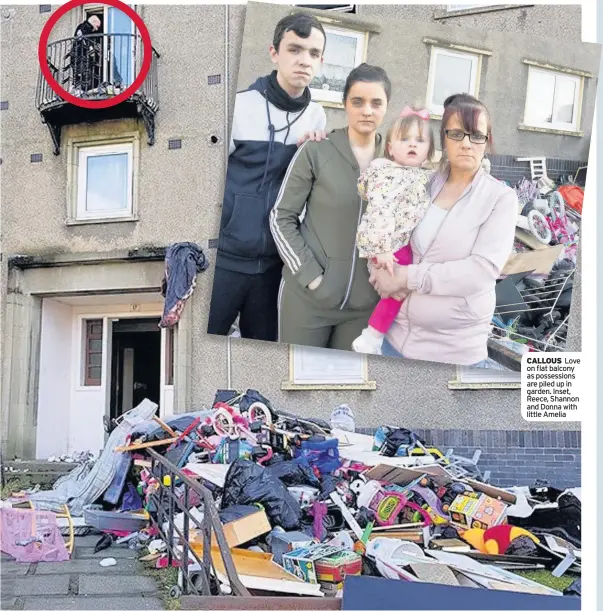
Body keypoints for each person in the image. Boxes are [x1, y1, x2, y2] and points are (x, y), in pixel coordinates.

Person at [369, 93, 518, 365]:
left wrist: (405, 277)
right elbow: (385, 226)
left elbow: (480, 273)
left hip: (453, 354)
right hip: (393, 340)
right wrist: (379, 272)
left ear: (487, 141)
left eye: (476, 136)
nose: (466, 144)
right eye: (457, 134)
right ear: (443, 138)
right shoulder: (422, 183)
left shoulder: (500, 199)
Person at [207, 13, 327, 341]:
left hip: (274, 268)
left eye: (313, 53)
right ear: (274, 53)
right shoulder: (239, 106)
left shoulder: (317, 116)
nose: (304, 61)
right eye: (295, 50)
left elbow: (310, 192)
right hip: (225, 262)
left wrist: (309, 158)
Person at [270, 64, 391, 350]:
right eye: (357, 102)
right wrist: (312, 278)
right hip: (307, 300)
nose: (367, 111)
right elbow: (281, 217)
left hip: (364, 308)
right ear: (345, 104)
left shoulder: (395, 162)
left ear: (386, 107)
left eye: (376, 103)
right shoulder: (317, 150)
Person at [351, 105, 436, 355]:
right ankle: (372, 337)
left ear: (429, 152)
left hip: (399, 242)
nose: (412, 145)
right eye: (404, 139)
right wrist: (383, 249)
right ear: (390, 148)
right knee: (396, 292)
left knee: (400, 290)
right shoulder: (387, 173)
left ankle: (376, 335)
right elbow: (379, 210)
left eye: (420, 141)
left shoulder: (421, 175)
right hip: (387, 243)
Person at [70, 15, 102, 95]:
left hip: (78, 57)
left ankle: (80, 91)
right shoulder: (85, 27)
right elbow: (82, 40)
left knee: (81, 76)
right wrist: (91, 49)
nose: (97, 29)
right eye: (97, 26)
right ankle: (81, 92)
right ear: (93, 22)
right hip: (80, 57)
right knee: (83, 76)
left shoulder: (83, 27)